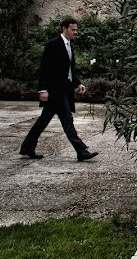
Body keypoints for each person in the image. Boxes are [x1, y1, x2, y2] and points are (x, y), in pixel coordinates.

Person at [19, 17, 98, 162]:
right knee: (67, 121)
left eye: (76, 29)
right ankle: (81, 151)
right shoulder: (53, 44)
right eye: (73, 29)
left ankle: (27, 147)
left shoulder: (69, 45)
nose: (75, 32)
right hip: (55, 91)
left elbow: (69, 70)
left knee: (43, 121)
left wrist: (77, 84)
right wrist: (42, 89)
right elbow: (44, 68)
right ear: (64, 29)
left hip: (63, 90)